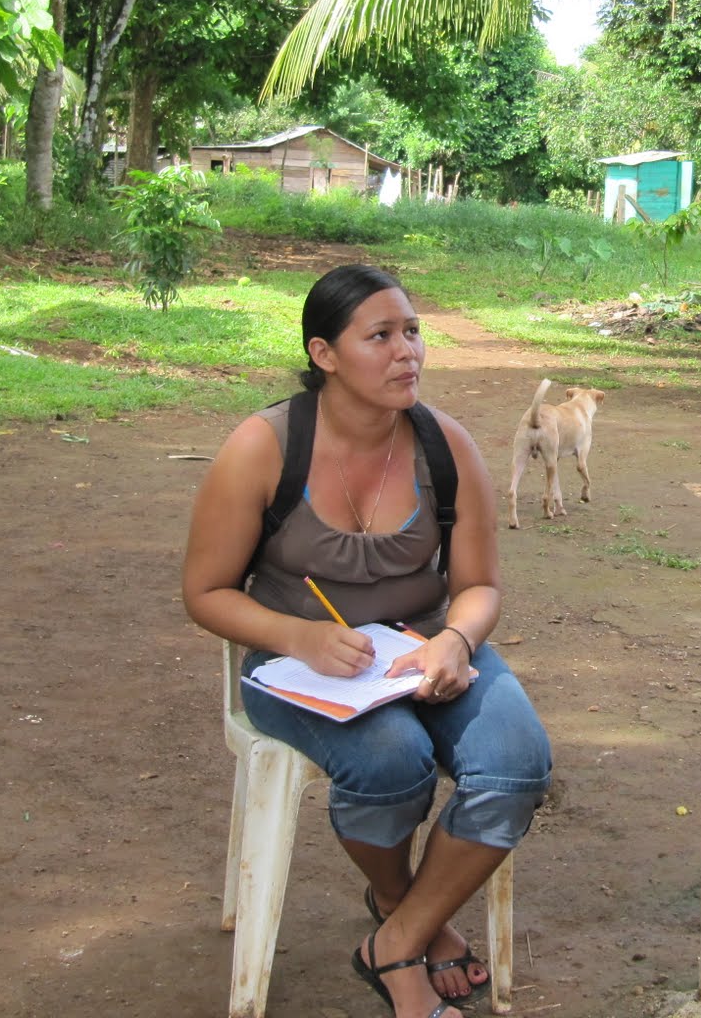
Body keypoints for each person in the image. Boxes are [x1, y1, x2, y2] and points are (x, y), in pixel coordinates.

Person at [183, 264, 551, 1018]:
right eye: (379, 336)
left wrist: (457, 639)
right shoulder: (262, 448)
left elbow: (480, 585)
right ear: (324, 354)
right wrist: (299, 635)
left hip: (426, 650)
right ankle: (399, 903)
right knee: (390, 760)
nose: (407, 352)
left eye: (412, 331)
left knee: (516, 763)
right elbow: (206, 592)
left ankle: (396, 940)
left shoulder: (445, 446)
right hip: (297, 664)